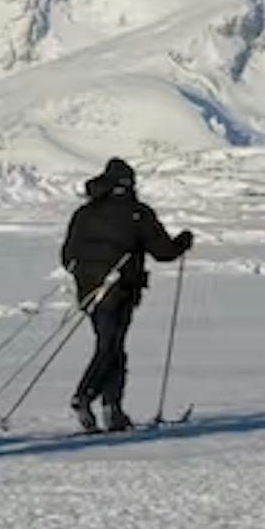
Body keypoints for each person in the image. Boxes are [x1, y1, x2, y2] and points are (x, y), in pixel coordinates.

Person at [59, 157, 192, 432]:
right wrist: (183, 242)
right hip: (121, 290)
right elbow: (163, 252)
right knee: (110, 347)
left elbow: (67, 256)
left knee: (112, 347)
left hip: (89, 292)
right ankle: (86, 395)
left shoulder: (85, 212)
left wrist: (87, 276)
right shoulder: (137, 212)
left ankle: (113, 410)